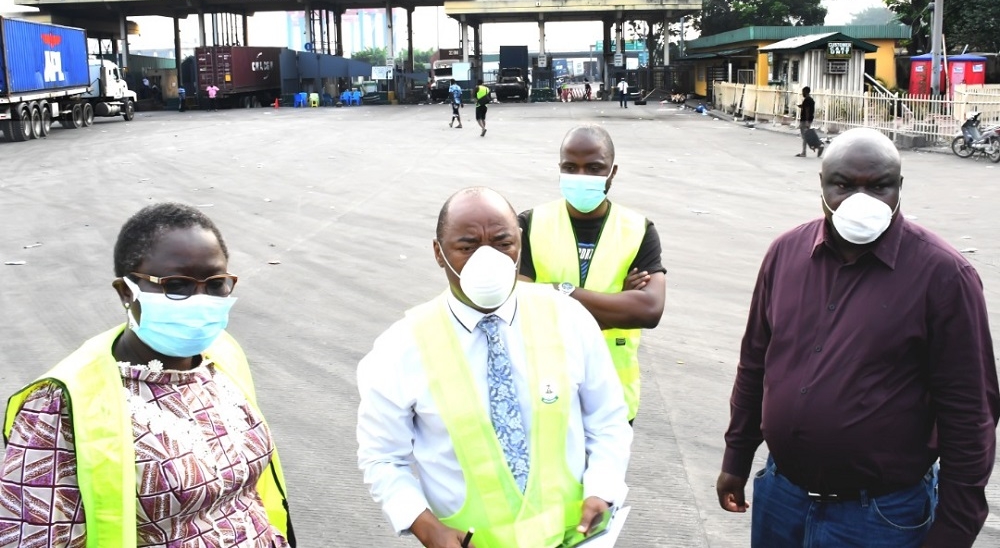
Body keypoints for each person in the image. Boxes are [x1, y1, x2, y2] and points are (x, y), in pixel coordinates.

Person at [716, 128, 999, 548]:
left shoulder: (943, 276)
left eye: (879, 186)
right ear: (823, 185)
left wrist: (954, 529)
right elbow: (755, 364)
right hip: (782, 497)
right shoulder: (785, 254)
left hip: (881, 517)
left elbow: (969, 412)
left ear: (899, 188)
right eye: (844, 185)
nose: (861, 201)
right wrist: (737, 458)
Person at [1, 203, 295, 548]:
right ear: (127, 292)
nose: (200, 300)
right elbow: (32, 535)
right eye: (176, 285)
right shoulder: (64, 403)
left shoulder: (221, 356)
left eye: (215, 284)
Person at [357, 187, 632, 548]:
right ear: (439, 254)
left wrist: (603, 489)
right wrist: (425, 526)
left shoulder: (568, 319)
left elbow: (607, 417)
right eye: (467, 246)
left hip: (573, 539)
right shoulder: (400, 349)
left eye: (503, 243)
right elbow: (382, 457)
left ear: (520, 245)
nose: (488, 259)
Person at [518, 125, 666, 424]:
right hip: (544, 396)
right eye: (570, 167)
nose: (581, 177)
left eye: (594, 168)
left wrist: (558, 291)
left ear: (612, 172)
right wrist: (617, 302)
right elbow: (519, 309)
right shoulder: (529, 224)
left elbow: (649, 311)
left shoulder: (638, 230)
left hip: (612, 401)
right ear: (559, 168)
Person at [796, 86, 818, 157]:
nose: (802, 93)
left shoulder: (807, 100)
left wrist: (807, 122)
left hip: (805, 120)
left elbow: (807, 110)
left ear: (806, 92)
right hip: (808, 119)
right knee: (806, 136)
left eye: (803, 92)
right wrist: (801, 106)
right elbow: (806, 108)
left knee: (805, 137)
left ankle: (804, 152)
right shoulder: (810, 100)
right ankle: (817, 145)